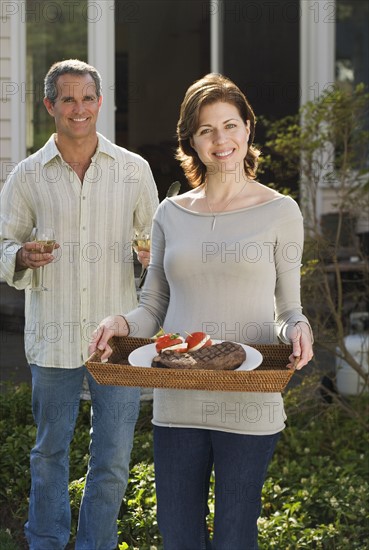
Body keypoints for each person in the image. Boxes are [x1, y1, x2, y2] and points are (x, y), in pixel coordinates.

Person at [89, 73, 314, 549]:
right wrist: (121, 323)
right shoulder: (171, 212)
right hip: (178, 399)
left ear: (248, 129)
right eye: (206, 130)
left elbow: (287, 308)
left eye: (229, 125)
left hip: (250, 404)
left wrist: (299, 329)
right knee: (178, 537)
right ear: (191, 140)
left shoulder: (281, 211)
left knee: (234, 537)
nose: (221, 140)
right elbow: (154, 303)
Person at [0, 59, 159, 549]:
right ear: (50, 105)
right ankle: (45, 541)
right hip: (53, 334)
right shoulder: (27, 175)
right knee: (49, 452)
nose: (78, 109)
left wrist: (149, 255)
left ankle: (97, 544)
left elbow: (159, 246)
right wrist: (21, 255)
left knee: (112, 458)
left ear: (100, 103)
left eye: (87, 98)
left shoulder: (134, 170)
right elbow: (3, 244)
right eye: (67, 99)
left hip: (120, 341)